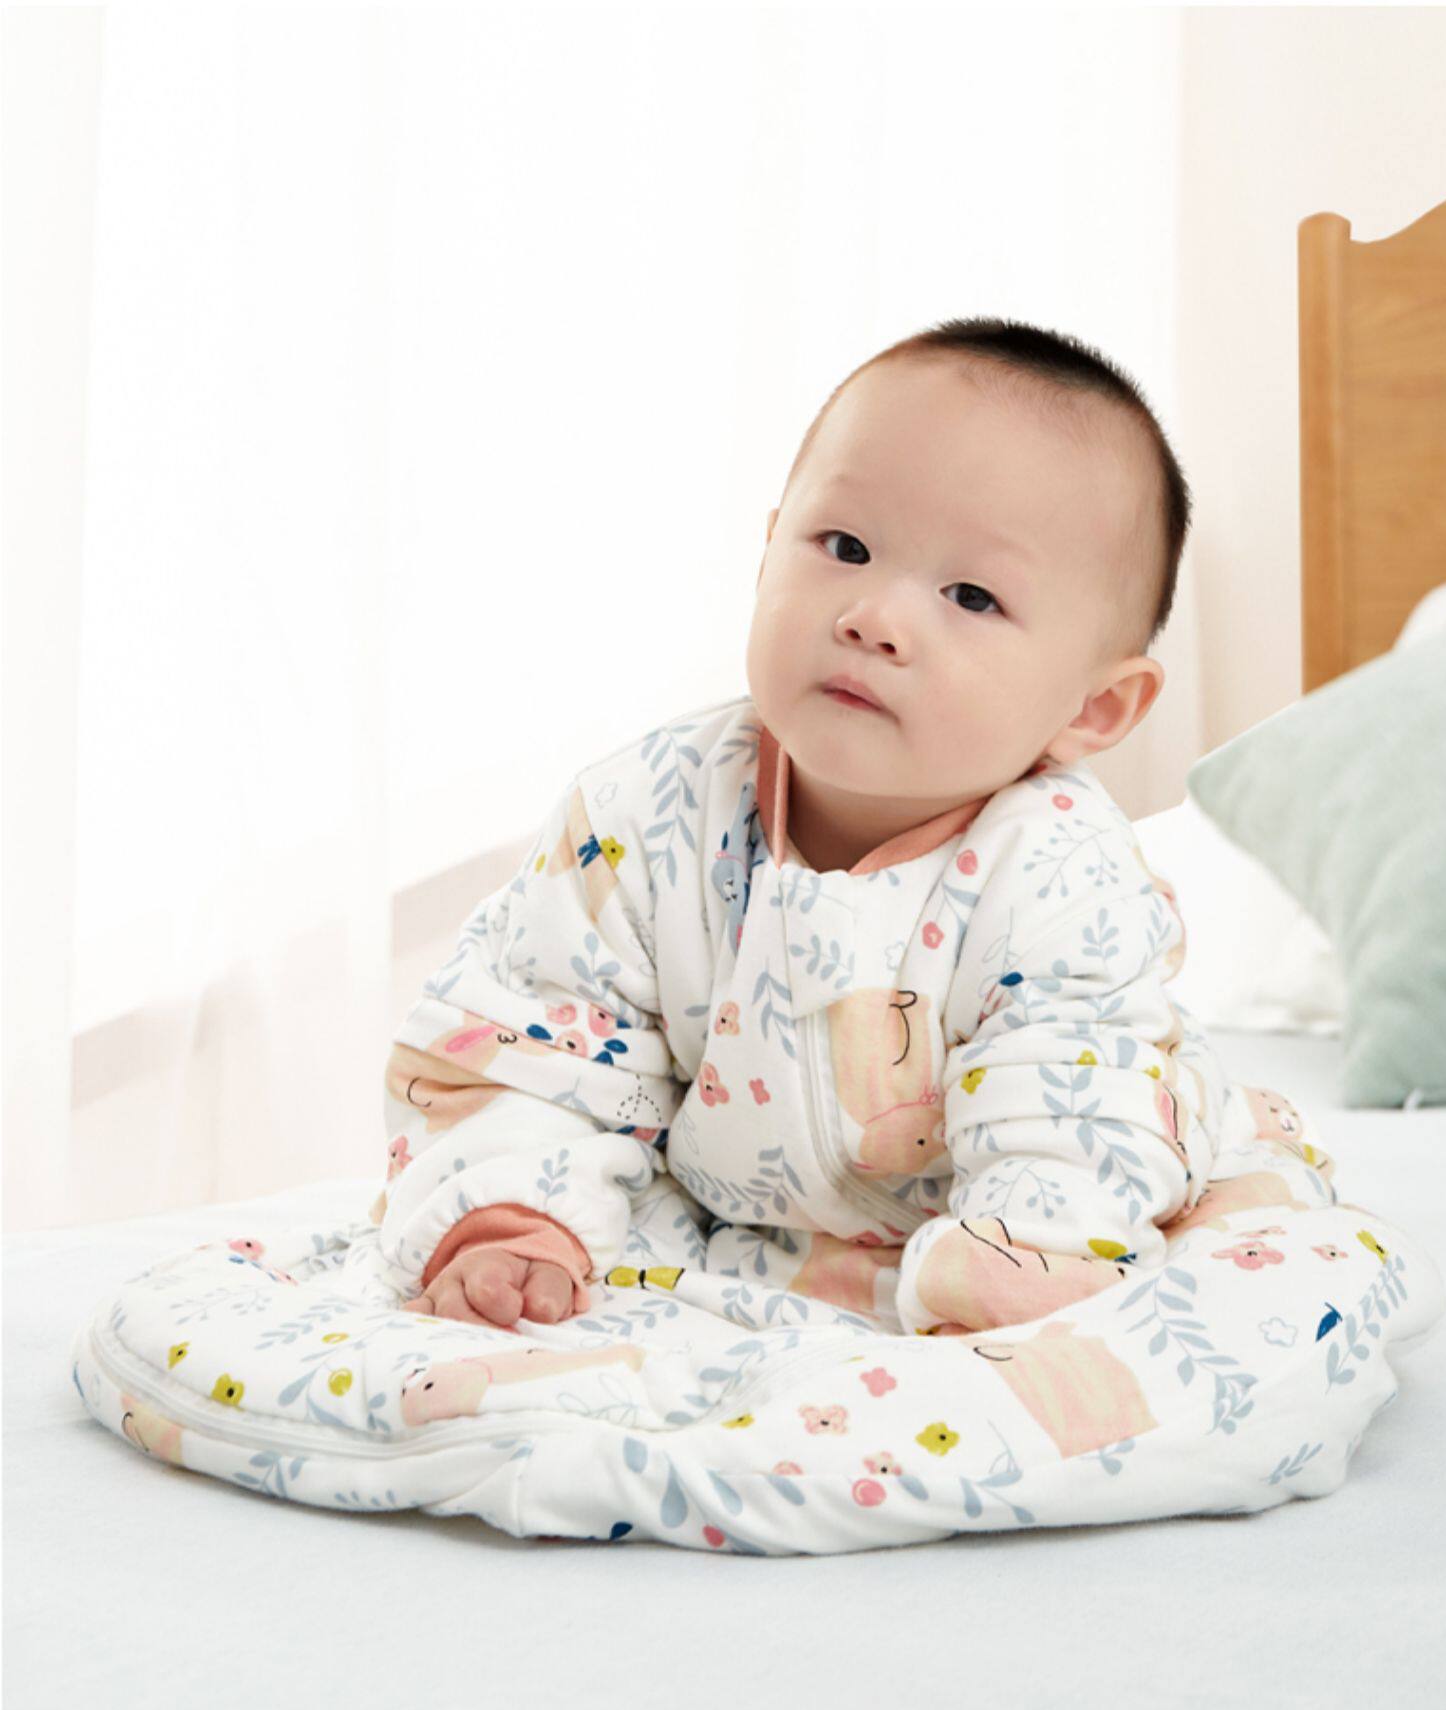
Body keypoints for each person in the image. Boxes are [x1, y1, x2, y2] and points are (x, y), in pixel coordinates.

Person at [368, 315, 1249, 1344]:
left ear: (1093, 709)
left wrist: (1014, 1276)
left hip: (1005, 1228)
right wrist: (517, 1220)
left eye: (971, 596)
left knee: (1239, 1301)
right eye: (845, 547)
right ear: (767, 553)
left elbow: (1072, 1108)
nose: (874, 617)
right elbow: (537, 1033)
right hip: (723, 1220)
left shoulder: (1063, 875)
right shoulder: (646, 811)